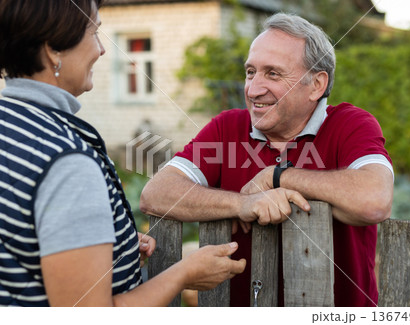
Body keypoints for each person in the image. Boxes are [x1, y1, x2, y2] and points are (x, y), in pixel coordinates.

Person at [0, 0, 245, 307]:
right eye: (94, 32)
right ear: (53, 50)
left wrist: (116, 251)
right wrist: (183, 274)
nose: (101, 50)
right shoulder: (66, 161)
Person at [140, 13, 394, 307]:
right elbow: (155, 194)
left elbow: (375, 199)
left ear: (316, 84)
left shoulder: (351, 124)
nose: (253, 89)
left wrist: (277, 176)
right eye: (251, 72)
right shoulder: (227, 127)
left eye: (273, 74)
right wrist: (242, 204)